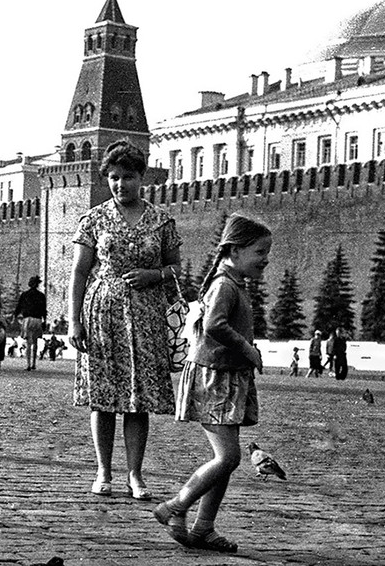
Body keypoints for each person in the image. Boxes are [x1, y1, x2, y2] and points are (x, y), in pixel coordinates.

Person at [68, 140, 182, 500]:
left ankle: (135, 474)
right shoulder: (94, 219)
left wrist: (155, 276)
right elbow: (79, 273)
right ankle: (103, 470)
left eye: (128, 177)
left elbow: (177, 267)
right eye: (114, 178)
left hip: (147, 315)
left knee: (139, 398)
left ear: (141, 177)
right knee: (104, 396)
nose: (121, 185)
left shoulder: (162, 220)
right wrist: (74, 322)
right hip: (102, 315)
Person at [153, 213, 271, 554]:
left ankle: (204, 527)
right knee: (229, 457)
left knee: (227, 460)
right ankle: (176, 505)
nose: (266, 259)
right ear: (234, 252)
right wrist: (248, 348)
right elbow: (215, 325)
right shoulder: (224, 285)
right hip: (214, 377)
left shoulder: (233, 284)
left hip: (228, 377)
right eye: (260, 252)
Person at [14, 275, 47, 371]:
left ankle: (28, 364)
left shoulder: (25, 294)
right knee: (35, 342)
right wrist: (44, 320)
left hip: (28, 319)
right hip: (38, 320)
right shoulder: (41, 296)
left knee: (28, 343)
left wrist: (15, 316)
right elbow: (44, 310)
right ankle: (34, 363)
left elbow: (19, 307)